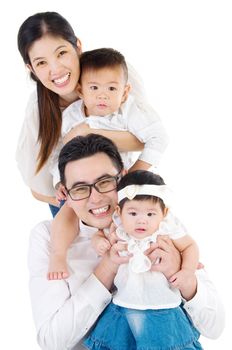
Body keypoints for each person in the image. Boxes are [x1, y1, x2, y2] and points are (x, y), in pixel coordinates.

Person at [28, 134, 224, 350]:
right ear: (67, 194)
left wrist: (180, 272)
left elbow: (215, 328)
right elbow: (51, 341)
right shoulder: (48, 238)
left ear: (121, 178)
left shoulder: (157, 224)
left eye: (104, 182)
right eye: (80, 189)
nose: (95, 198)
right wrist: (108, 267)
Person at [16, 11, 167, 218]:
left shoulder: (111, 72)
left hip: (115, 185)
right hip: (72, 199)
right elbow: (38, 187)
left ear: (77, 45)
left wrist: (85, 133)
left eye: (61, 53)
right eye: (41, 63)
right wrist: (73, 197)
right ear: (30, 68)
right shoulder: (39, 111)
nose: (56, 69)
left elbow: (146, 136)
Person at [48, 47, 168, 279]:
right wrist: (58, 180)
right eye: (94, 88)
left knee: (137, 213)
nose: (102, 96)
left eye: (112, 89)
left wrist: (133, 175)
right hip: (82, 181)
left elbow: (159, 138)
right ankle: (58, 254)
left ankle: (152, 256)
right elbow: (57, 154)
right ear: (81, 90)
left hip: (116, 181)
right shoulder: (71, 117)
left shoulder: (128, 111)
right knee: (67, 211)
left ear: (125, 92)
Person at [84, 170, 201, 349]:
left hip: (163, 307)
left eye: (150, 214)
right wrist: (98, 241)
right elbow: (99, 233)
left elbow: (190, 246)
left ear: (164, 213)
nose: (141, 221)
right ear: (119, 212)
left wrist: (187, 271)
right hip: (124, 304)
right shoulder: (119, 228)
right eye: (133, 213)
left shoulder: (166, 229)